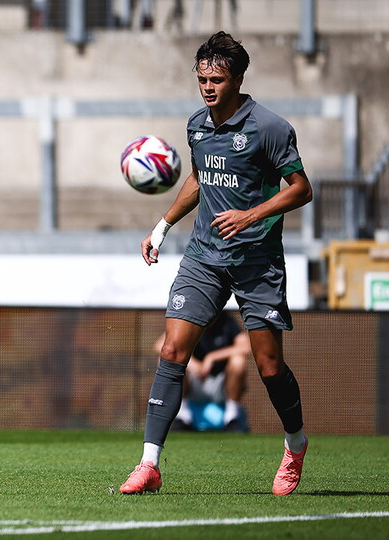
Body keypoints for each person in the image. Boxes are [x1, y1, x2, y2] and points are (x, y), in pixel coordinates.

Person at [119, 31, 312, 496]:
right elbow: (198, 178)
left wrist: (250, 214)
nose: (208, 87)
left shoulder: (269, 128)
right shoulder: (197, 126)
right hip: (204, 257)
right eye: (203, 79)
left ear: (238, 79)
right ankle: (149, 464)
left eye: (217, 80)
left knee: (269, 367)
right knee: (172, 351)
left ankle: (295, 444)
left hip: (256, 261)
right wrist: (162, 226)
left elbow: (301, 189)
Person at [153, 310, 250, 432]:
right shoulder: (189, 321)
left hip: (221, 385)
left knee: (238, 360)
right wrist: (192, 364)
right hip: (193, 382)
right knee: (166, 361)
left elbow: (246, 347)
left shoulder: (227, 322)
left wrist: (212, 357)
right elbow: (159, 345)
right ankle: (183, 417)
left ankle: (231, 418)